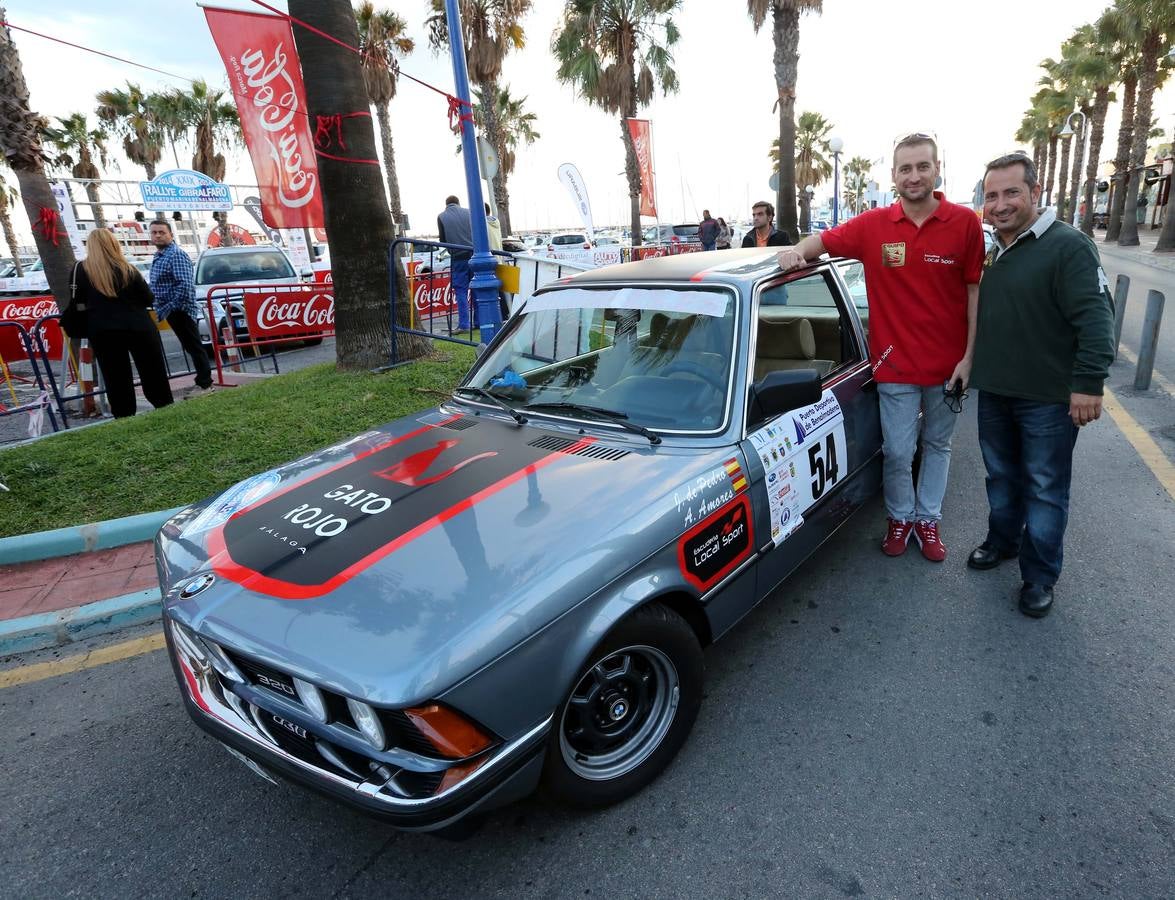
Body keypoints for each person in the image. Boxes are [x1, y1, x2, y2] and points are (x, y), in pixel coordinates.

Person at [776, 133, 984, 562]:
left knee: (939, 447)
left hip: (948, 368)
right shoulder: (873, 226)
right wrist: (795, 251)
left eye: (922, 167)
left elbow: (974, 293)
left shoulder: (964, 223)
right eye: (905, 168)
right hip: (893, 365)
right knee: (898, 451)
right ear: (893, 175)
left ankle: (929, 520)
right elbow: (824, 242)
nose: (914, 176)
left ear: (936, 169)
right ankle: (900, 518)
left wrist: (969, 358)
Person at [968, 152, 1115, 618]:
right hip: (996, 392)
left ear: (1035, 192)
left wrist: (1089, 383)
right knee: (1002, 477)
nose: (1000, 203)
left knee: (1045, 488)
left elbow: (1096, 318)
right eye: (992, 195)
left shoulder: (1068, 246)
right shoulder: (996, 248)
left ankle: (1039, 576)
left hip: (1048, 401)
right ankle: (1003, 542)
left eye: (1012, 192)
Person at [76, 229, 173, 417]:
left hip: (103, 330)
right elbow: (147, 298)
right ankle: (165, 409)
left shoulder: (81, 270)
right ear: (114, 244)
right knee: (153, 373)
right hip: (138, 326)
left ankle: (124, 416)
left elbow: (77, 300)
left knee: (116, 378)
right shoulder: (126, 268)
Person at [148, 220, 213, 395]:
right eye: (154, 232)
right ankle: (203, 382)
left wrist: (169, 306)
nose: (158, 235)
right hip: (171, 309)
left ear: (171, 234)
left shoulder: (175, 255)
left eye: (162, 232)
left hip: (180, 309)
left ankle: (205, 384)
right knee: (191, 346)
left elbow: (184, 286)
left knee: (194, 346)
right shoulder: (160, 255)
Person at [437, 195, 474, 331]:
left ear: (446, 205)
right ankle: (478, 322)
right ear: (458, 203)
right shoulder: (469, 212)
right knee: (477, 288)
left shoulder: (441, 216)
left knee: (461, 291)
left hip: (458, 257)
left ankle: (464, 324)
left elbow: (443, 240)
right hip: (474, 255)